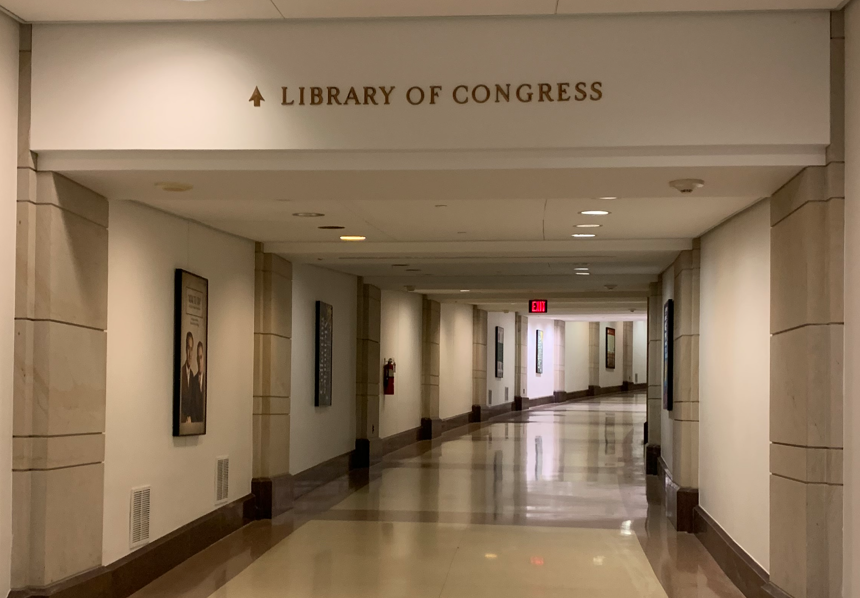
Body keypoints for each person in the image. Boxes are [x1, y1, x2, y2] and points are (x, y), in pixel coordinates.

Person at [180, 331, 195, 423]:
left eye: (192, 349)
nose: (190, 354)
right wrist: (185, 419)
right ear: (186, 350)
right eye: (188, 348)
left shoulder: (192, 376)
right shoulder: (181, 373)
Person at [190, 341, 206, 423]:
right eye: (198, 358)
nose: (199, 361)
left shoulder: (207, 381)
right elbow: (192, 408)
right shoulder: (193, 381)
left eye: (201, 357)